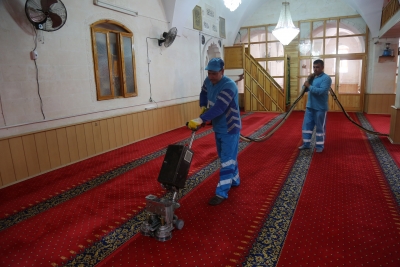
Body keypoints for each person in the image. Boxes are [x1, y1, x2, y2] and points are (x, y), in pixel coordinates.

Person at [187, 58, 241, 206]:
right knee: (227, 156)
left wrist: (201, 119)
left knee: (227, 159)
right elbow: (203, 93)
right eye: (209, 73)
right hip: (218, 126)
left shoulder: (229, 86)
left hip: (230, 127)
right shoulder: (208, 80)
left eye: (214, 74)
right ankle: (235, 180)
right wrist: (203, 106)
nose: (211, 76)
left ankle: (221, 192)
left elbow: (219, 108)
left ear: (222, 72)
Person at [299, 59, 332, 153]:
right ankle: (306, 144)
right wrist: (307, 82)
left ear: (322, 67)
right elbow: (304, 89)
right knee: (306, 126)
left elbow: (321, 91)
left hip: (320, 108)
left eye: (317, 67)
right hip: (310, 106)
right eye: (314, 67)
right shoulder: (312, 77)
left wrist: (309, 86)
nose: (315, 69)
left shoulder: (326, 78)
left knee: (320, 128)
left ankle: (319, 146)